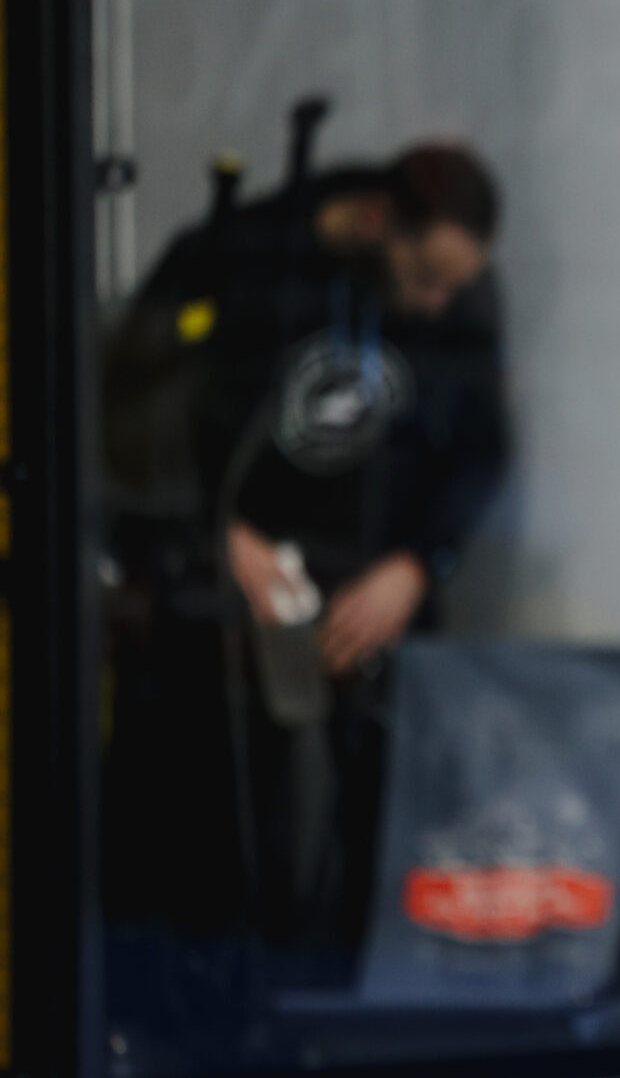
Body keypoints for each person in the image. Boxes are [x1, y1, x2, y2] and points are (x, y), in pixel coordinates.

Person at [100, 139, 509, 947]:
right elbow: (128, 416)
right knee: (213, 823)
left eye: (451, 288)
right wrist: (216, 536)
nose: (435, 306)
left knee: (370, 830)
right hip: (225, 603)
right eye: (422, 277)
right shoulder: (232, 260)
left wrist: (418, 564)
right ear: (371, 220)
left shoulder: (457, 297)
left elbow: (482, 447)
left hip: (373, 604)